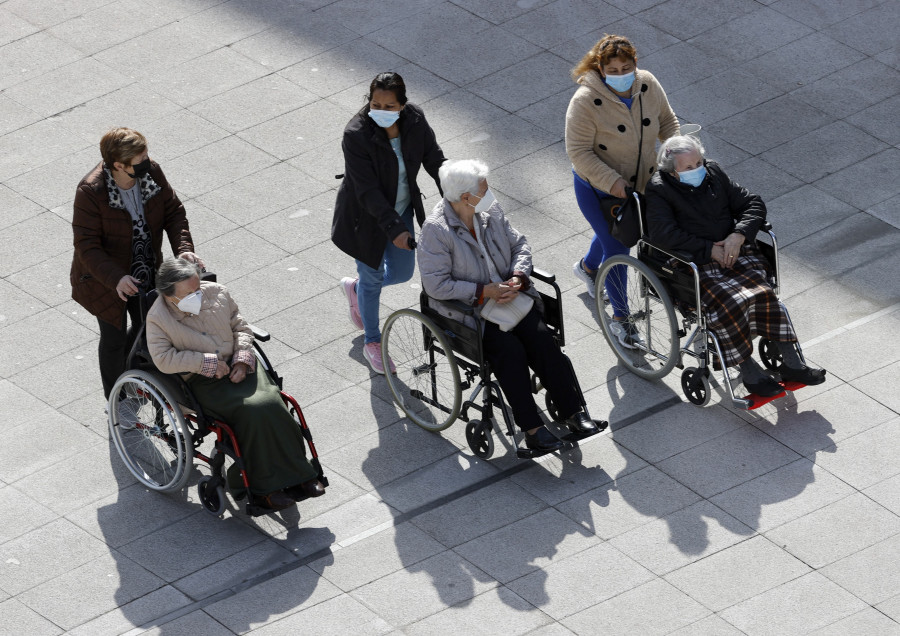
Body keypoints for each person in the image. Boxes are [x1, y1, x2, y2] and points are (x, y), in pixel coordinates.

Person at [417, 159, 608, 453]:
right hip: (472, 314)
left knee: (543, 341)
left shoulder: (489, 210)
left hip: (512, 299)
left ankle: (574, 413)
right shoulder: (436, 231)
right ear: (466, 197)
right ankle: (532, 429)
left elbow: (520, 245)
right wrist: (484, 291)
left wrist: (518, 277)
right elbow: (435, 285)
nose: (489, 192)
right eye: (484, 189)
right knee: (510, 353)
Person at [644, 135, 826, 396]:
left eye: (699, 162)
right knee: (729, 300)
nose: (697, 170)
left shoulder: (714, 173)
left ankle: (792, 363)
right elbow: (664, 234)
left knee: (763, 292)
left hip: (734, 249)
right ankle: (748, 370)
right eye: (688, 167)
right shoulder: (659, 189)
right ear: (672, 172)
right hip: (693, 259)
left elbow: (752, 203)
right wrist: (710, 250)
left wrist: (738, 234)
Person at [146, 258, 326, 510]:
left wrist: (242, 359)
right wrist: (205, 363)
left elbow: (241, 328)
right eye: (189, 293)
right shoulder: (158, 318)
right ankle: (259, 487)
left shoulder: (218, 293)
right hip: (205, 380)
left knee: (274, 403)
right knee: (252, 411)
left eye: (198, 289)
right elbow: (164, 359)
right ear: (168, 294)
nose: (198, 295)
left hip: (241, 366)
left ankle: (302, 475)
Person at [70, 127, 204, 400]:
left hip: (146, 269)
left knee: (149, 327)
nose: (147, 161)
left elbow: (174, 212)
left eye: (146, 154)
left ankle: (134, 377)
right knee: (114, 338)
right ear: (118, 165)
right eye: (140, 159)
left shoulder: (151, 172)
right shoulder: (91, 191)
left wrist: (184, 250)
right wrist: (116, 278)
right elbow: (87, 245)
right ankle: (117, 400)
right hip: (106, 280)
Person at [565, 34, 679, 347]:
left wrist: (677, 154)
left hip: (641, 181)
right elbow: (578, 151)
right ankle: (621, 319)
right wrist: (613, 182)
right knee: (618, 244)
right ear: (600, 68)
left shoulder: (648, 84)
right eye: (612, 70)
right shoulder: (585, 101)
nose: (620, 74)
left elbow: (667, 122)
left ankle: (587, 268)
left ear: (635, 65)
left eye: (625, 67)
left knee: (614, 231)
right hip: (598, 187)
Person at [332, 71, 445, 374]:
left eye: (389, 106)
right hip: (366, 220)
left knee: (402, 272)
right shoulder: (355, 134)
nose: (381, 111)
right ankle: (372, 341)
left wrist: (456, 192)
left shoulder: (415, 120)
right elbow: (367, 191)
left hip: (402, 209)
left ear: (403, 105)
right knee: (373, 279)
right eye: (375, 104)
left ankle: (356, 289)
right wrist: (394, 229)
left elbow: (434, 159)